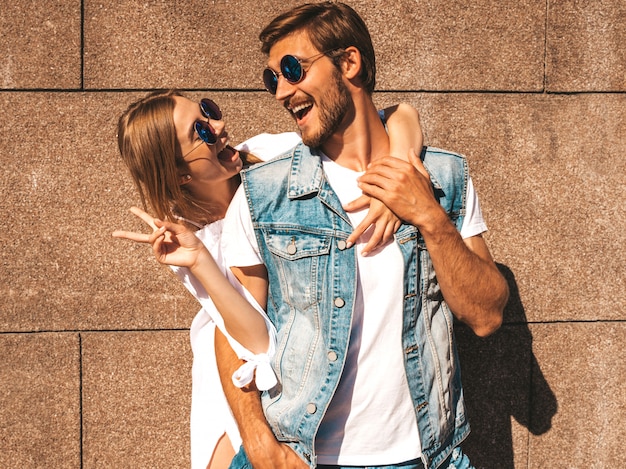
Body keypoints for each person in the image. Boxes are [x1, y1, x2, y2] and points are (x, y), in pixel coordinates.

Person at [216, 3, 510, 469]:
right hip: (299, 456)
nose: (281, 92)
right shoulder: (264, 193)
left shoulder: (444, 176)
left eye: (292, 69)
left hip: (422, 456)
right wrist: (259, 445)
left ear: (349, 63)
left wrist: (429, 217)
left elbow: (488, 315)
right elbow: (234, 330)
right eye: (272, 78)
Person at [112, 89, 424, 469]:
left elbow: (399, 114)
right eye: (201, 132)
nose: (219, 126)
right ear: (179, 174)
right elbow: (252, 342)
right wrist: (199, 262)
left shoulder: (274, 155)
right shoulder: (191, 237)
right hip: (242, 375)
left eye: (209, 111)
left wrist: (397, 175)